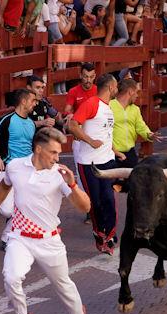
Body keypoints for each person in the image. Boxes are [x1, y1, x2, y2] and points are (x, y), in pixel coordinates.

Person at [0, 127, 91, 314]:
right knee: (11, 277)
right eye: (53, 152)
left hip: (49, 240)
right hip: (19, 237)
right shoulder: (15, 167)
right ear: (39, 149)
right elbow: (4, 186)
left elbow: (85, 206)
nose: (57, 158)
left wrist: (72, 184)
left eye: (59, 153)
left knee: (63, 286)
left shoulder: (60, 175)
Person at [68, 73, 125, 255]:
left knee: (109, 199)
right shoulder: (91, 103)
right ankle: (99, 234)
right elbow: (73, 125)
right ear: (110, 87)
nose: (117, 90)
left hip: (107, 160)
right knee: (96, 202)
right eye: (116, 86)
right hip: (89, 163)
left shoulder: (108, 107)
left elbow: (106, 134)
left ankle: (110, 234)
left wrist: (115, 151)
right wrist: (90, 141)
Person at [0, 88, 37, 248]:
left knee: (26, 206)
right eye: (33, 101)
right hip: (8, 169)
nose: (35, 104)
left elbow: (34, 148)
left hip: (27, 171)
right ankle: (13, 231)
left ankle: (8, 237)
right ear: (24, 101)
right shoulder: (7, 119)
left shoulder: (32, 123)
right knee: (7, 210)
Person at [64, 62, 97, 224]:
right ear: (80, 76)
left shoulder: (98, 90)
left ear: (95, 77)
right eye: (85, 76)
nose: (88, 80)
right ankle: (89, 209)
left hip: (96, 137)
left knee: (98, 170)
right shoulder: (73, 91)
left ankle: (97, 206)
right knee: (82, 173)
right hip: (79, 138)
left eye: (91, 77)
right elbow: (68, 108)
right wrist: (69, 115)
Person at [110, 78, 161, 169]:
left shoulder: (135, 109)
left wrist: (149, 135)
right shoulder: (109, 106)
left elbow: (141, 126)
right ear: (130, 92)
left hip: (130, 153)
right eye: (136, 92)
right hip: (112, 153)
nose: (137, 95)